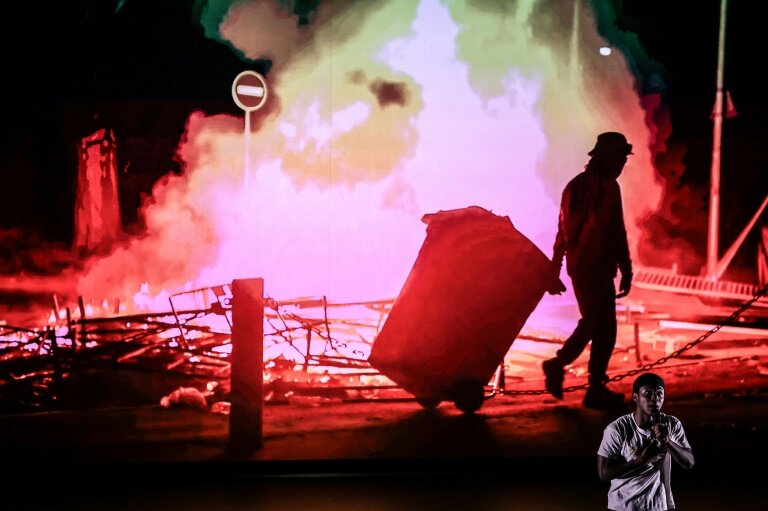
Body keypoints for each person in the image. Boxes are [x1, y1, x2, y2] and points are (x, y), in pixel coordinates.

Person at [543, 131, 634, 408]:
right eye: (620, 158)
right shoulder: (603, 188)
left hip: (585, 266)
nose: (622, 165)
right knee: (597, 323)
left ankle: (594, 387)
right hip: (591, 266)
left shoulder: (578, 186)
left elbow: (562, 232)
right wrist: (626, 268)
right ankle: (559, 364)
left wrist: (556, 267)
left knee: (602, 326)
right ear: (608, 158)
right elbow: (614, 231)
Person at [597, 373, 694, 511]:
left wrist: (667, 440)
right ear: (636, 397)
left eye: (659, 393)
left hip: (659, 506)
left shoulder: (671, 424)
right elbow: (604, 473)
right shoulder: (617, 429)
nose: (655, 398)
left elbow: (689, 462)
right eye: (648, 393)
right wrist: (640, 461)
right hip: (624, 506)